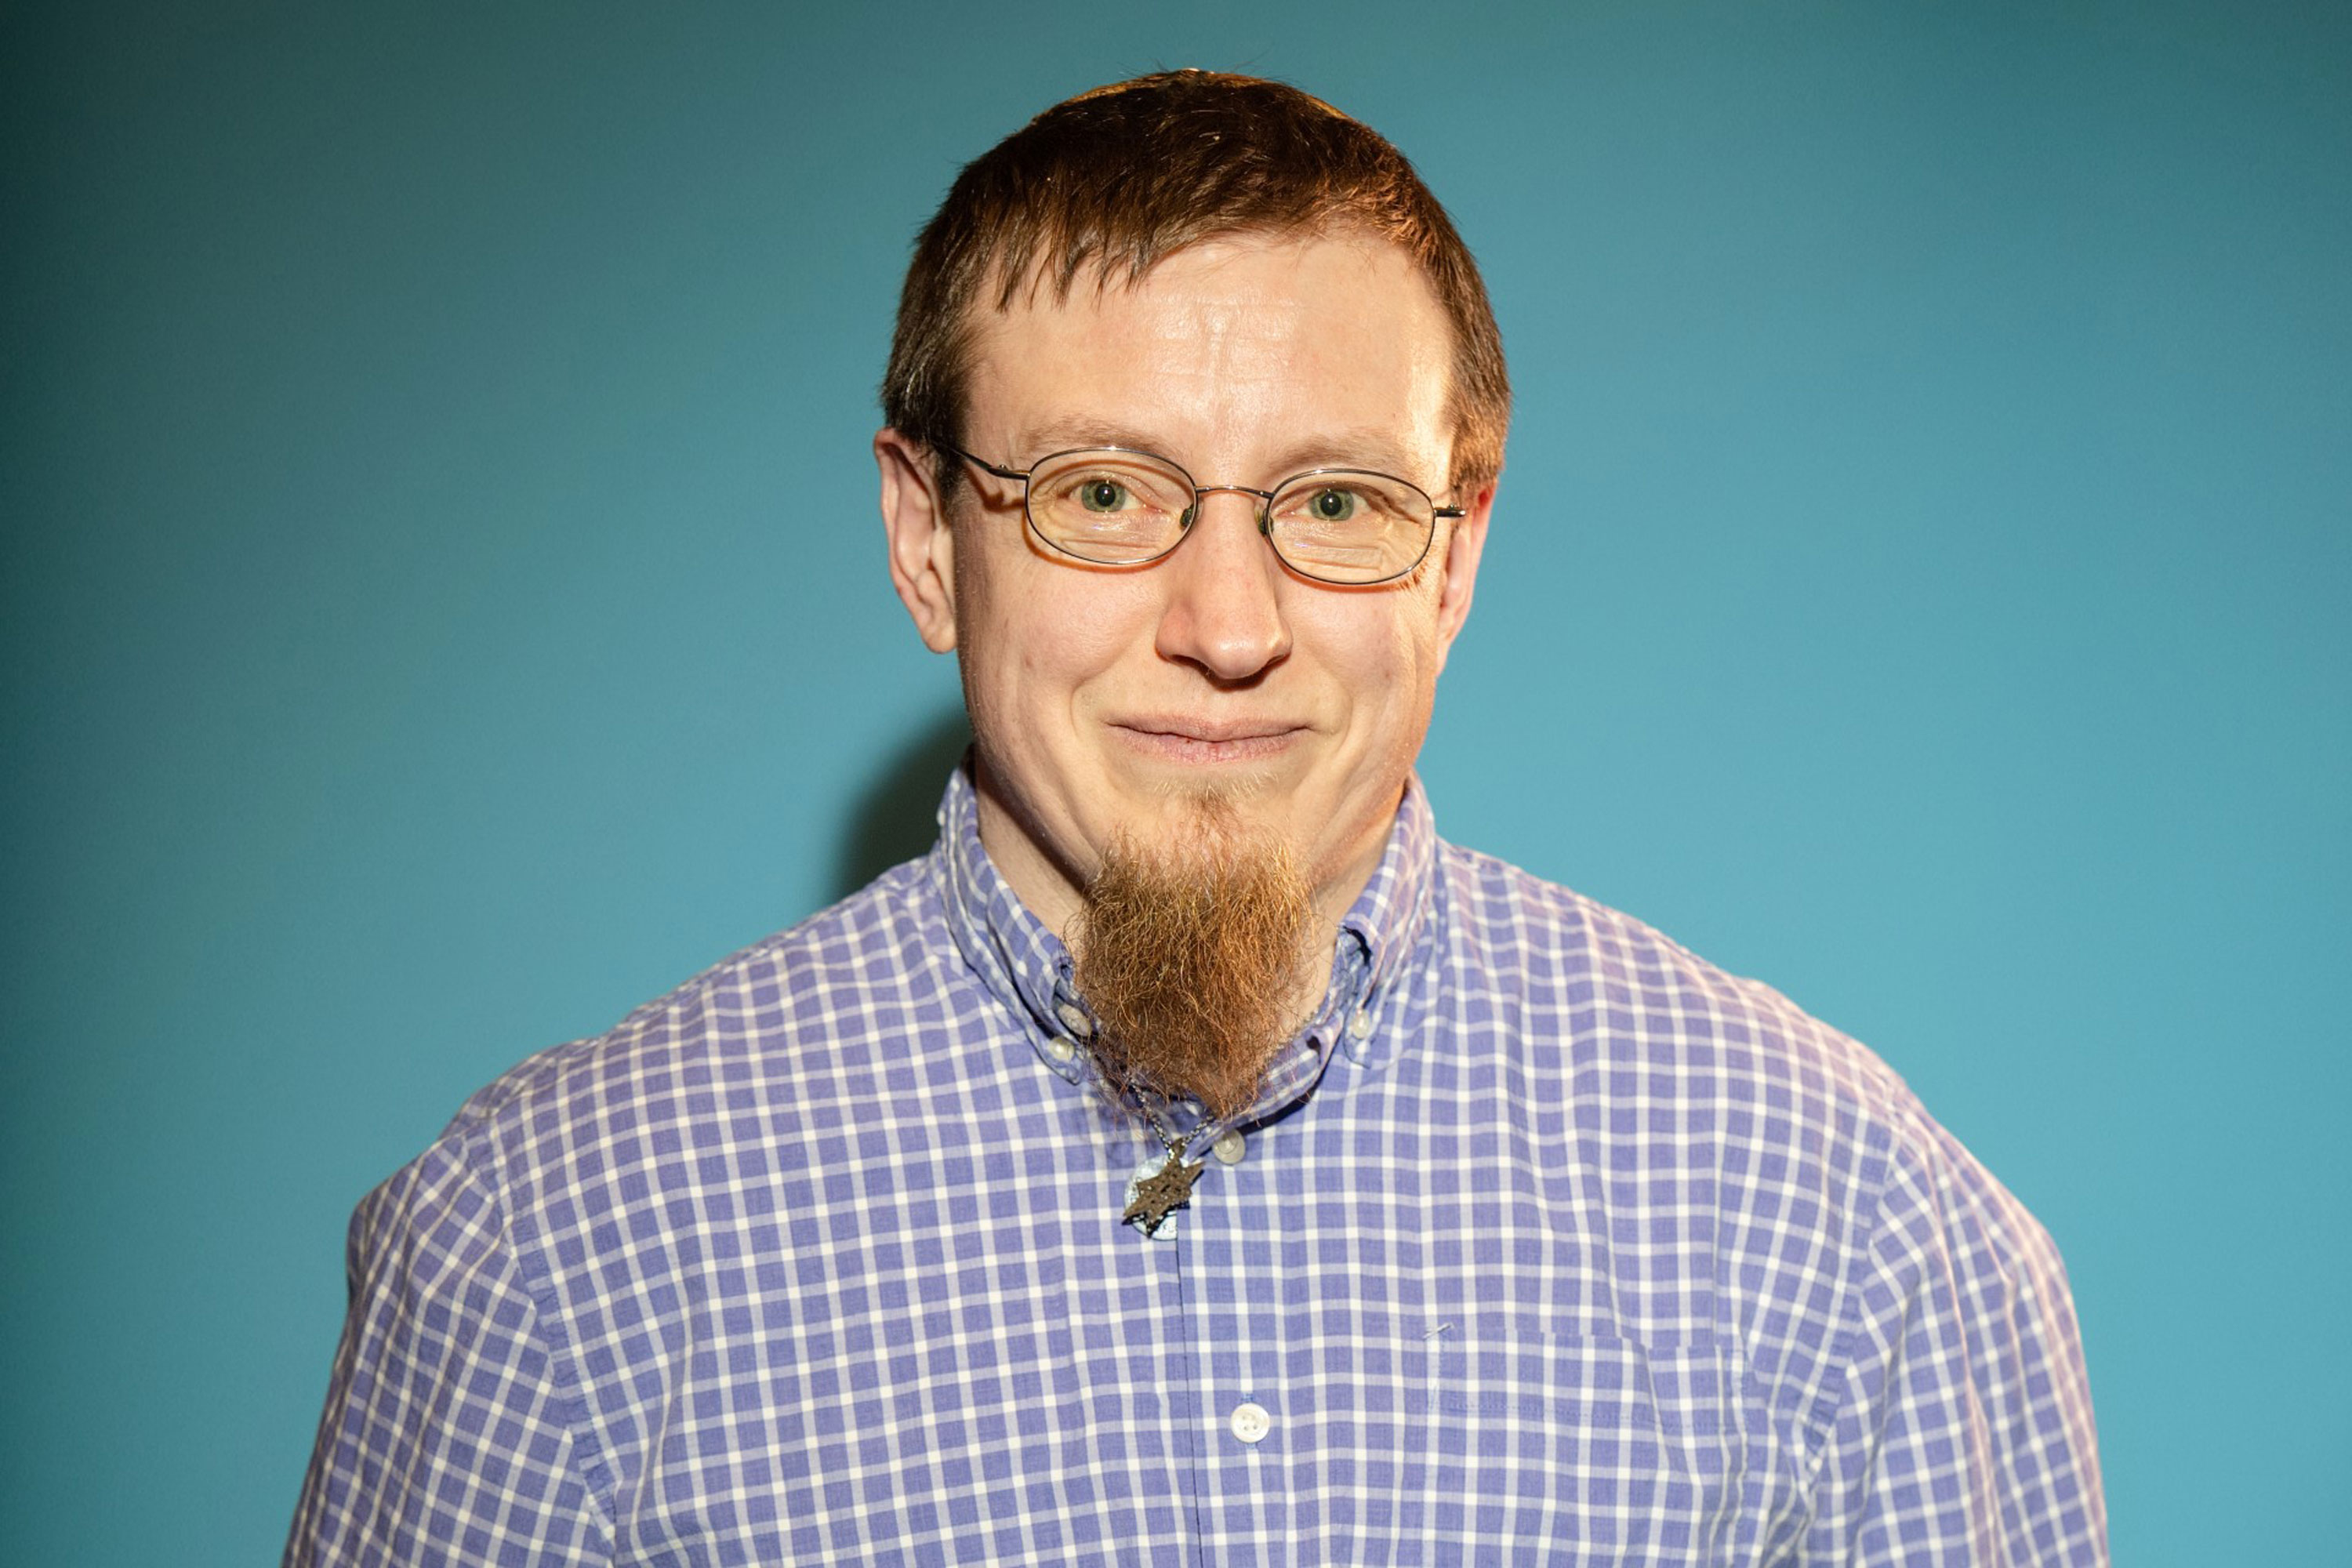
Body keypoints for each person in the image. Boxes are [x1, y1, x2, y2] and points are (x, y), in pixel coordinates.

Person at [286, 72, 2105, 1566]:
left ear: (1455, 557)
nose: (1227, 627)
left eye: (1330, 503)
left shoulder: (1846, 1225)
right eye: (1101, 491)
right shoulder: (543, 1252)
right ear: (930, 540)